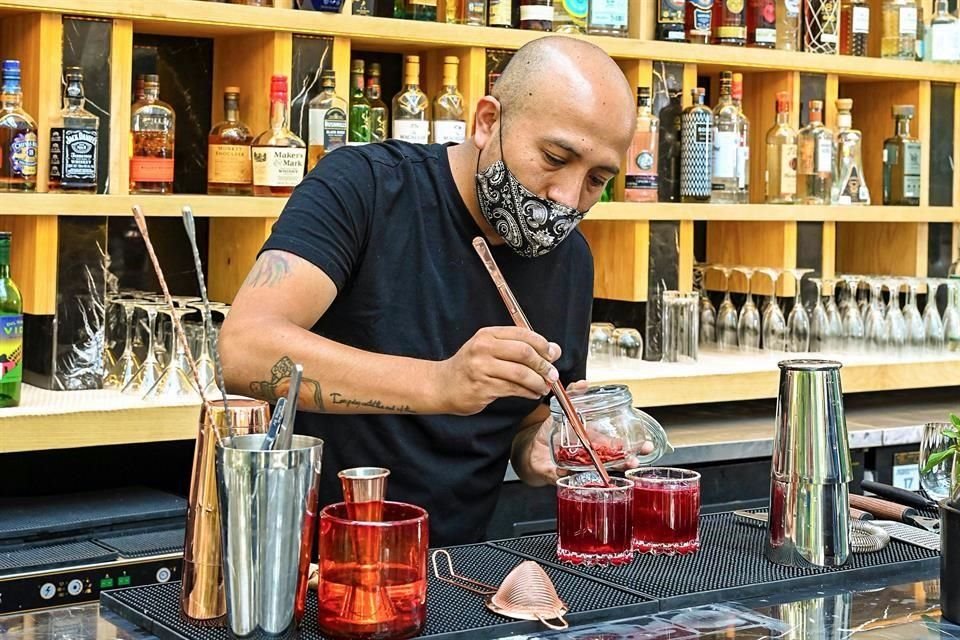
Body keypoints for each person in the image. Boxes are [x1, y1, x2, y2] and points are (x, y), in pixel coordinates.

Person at [219, 35, 637, 546]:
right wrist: (440, 385)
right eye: (553, 158)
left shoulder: (571, 258)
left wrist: (548, 445)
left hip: (456, 574)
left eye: (597, 180)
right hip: (314, 563)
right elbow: (243, 350)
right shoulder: (365, 186)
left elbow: (526, 423)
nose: (567, 197)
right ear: (488, 121)